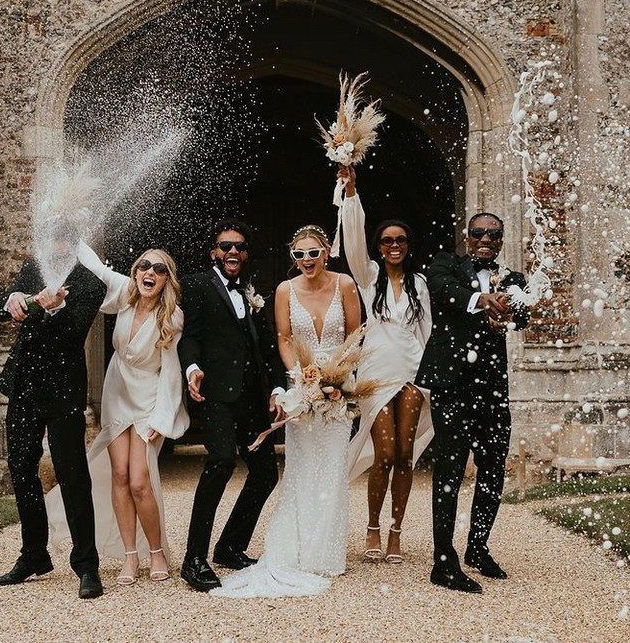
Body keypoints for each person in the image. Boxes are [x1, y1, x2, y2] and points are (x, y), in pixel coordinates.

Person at [211, 225, 362, 598]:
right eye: (299, 255)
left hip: (339, 388)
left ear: (326, 252)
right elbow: (283, 338)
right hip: (303, 387)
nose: (306, 261)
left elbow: (356, 333)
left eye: (313, 253)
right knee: (301, 467)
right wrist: (303, 378)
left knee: (331, 469)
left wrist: (338, 376)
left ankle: (324, 551)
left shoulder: (344, 284)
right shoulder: (284, 290)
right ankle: (295, 546)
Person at [46, 242, 189, 585]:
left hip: (149, 399)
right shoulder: (125, 295)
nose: (149, 273)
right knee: (120, 476)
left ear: (167, 279)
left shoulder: (172, 316)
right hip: (117, 392)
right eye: (143, 266)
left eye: (158, 269)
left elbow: (171, 371)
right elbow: (96, 267)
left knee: (140, 481)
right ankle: (129, 555)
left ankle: (155, 551)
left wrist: (161, 418)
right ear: (136, 272)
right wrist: (73, 233)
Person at [416, 213, 529, 594]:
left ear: (501, 239)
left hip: (492, 386)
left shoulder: (512, 278)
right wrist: (483, 300)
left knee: (493, 465)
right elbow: (443, 291)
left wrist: (508, 318)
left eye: (492, 234)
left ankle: (478, 547)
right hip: (452, 383)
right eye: (478, 233)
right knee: (449, 467)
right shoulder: (444, 265)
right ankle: (443, 561)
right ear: (467, 236)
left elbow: (523, 316)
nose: (485, 239)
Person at [0, 241, 106, 599]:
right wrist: (13, 302)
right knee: (21, 467)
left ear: (74, 245)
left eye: (63, 242)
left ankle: (87, 565)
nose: (55, 249)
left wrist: (39, 306)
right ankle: (34, 554)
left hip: (64, 390)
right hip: (25, 384)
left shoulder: (90, 284)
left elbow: (72, 331)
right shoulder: (31, 270)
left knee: (72, 473)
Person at [178, 219, 287, 592]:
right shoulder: (196, 285)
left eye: (239, 247)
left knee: (265, 474)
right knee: (221, 462)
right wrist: (192, 369)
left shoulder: (252, 293)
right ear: (214, 252)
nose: (233, 253)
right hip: (217, 395)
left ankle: (230, 547)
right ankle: (194, 558)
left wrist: (275, 388)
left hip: (253, 398)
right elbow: (188, 337)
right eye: (226, 247)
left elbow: (268, 349)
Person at [339, 165, 433, 564]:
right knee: (385, 454)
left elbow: (426, 332)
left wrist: (430, 379)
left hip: (411, 376)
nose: (394, 245)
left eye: (400, 240)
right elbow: (353, 242)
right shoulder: (368, 277)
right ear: (379, 247)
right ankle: (372, 527)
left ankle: (397, 531)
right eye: (387, 240)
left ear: (408, 245)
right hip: (376, 377)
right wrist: (351, 193)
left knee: (406, 455)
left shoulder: (420, 283)